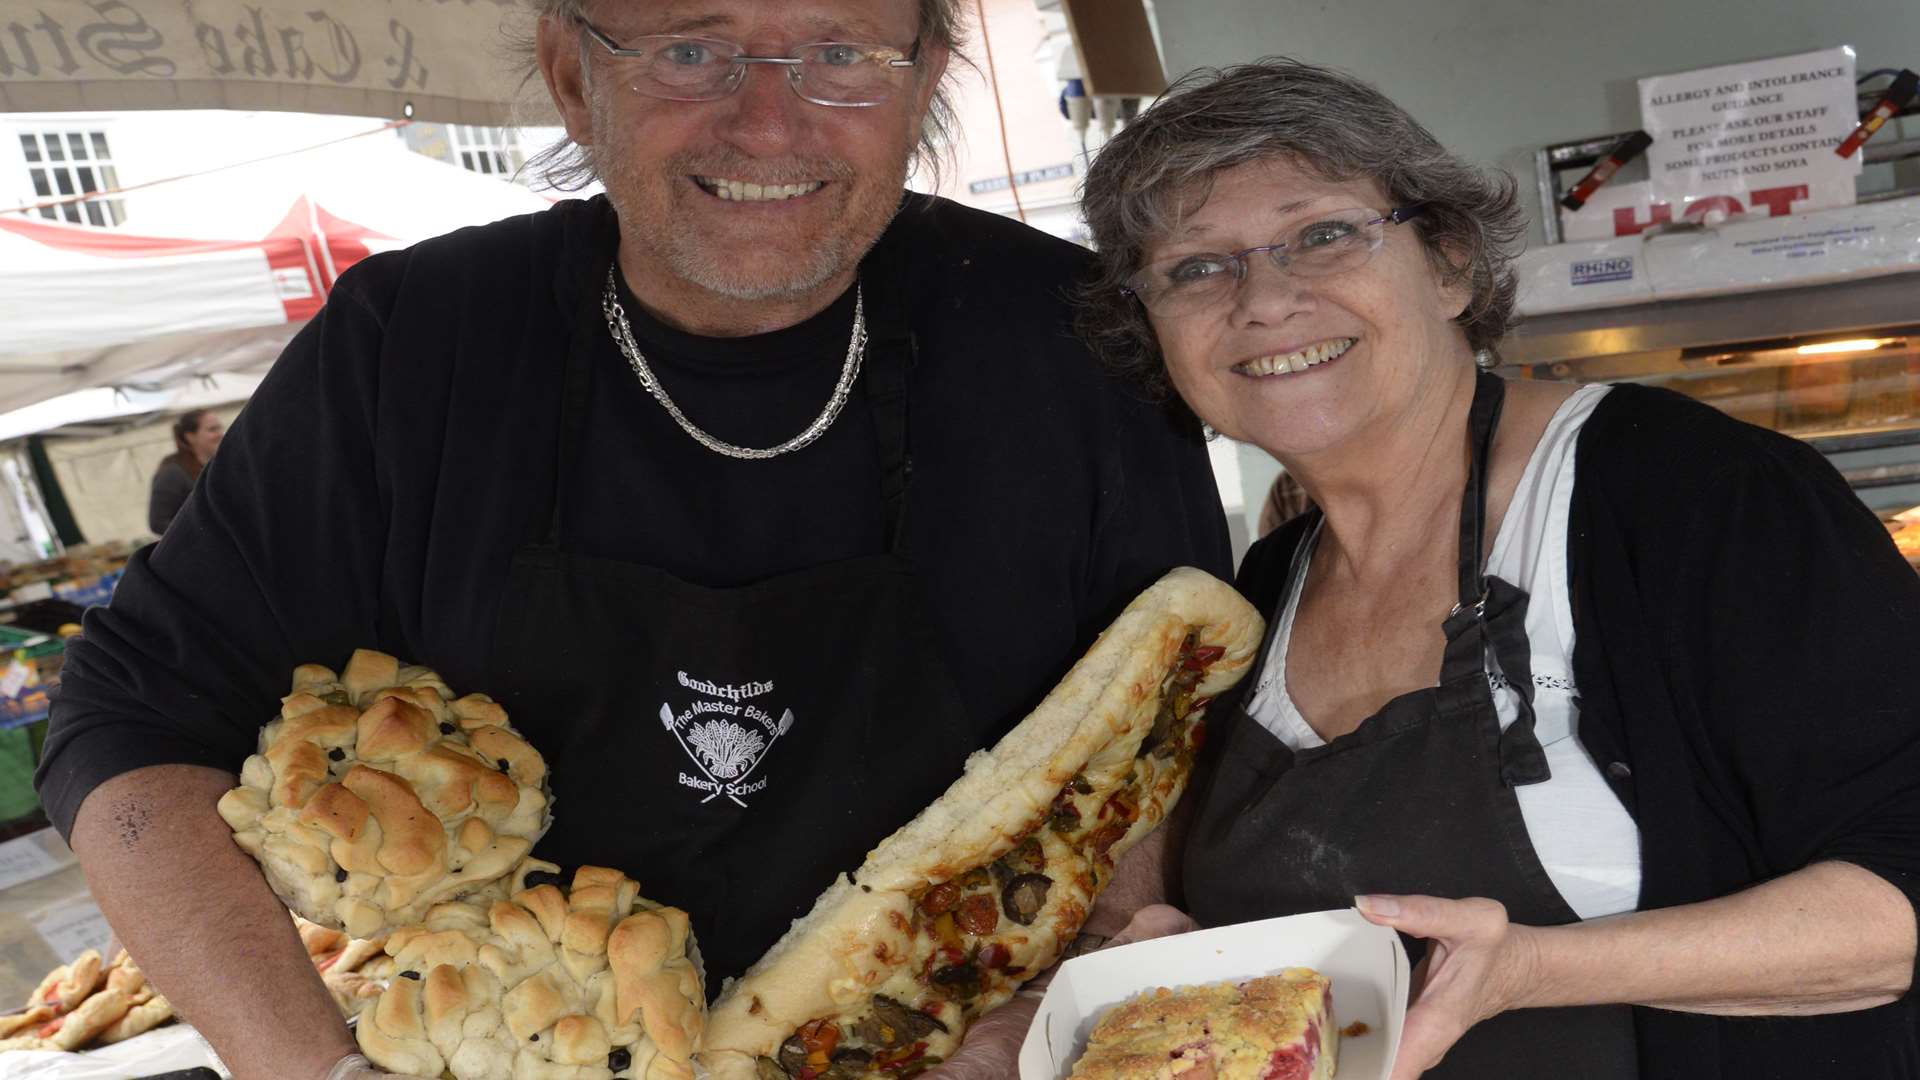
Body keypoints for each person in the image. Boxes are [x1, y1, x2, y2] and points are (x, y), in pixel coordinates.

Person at [32, 2, 1229, 1077]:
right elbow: (132, 718)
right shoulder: (411, 347)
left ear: (924, 80)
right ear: (570, 74)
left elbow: (1168, 730)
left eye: (843, 55)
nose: (768, 123)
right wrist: (315, 1070)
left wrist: (1069, 1009)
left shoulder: (1078, 344)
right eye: (690, 49)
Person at [1073, 59, 1920, 1079]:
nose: (1264, 300)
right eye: (1196, 267)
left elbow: (1899, 906)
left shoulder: (1692, 500)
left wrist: (1532, 969)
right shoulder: (1255, 596)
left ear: (1450, 263)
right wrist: (1171, 949)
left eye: (1324, 233)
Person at [146, 409, 223, 533]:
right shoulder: (173, 473)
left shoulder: (219, 466)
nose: (221, 433)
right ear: (190, 437)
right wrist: (203, 534)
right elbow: (158, 522)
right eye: (212, 429)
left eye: (220, 428)